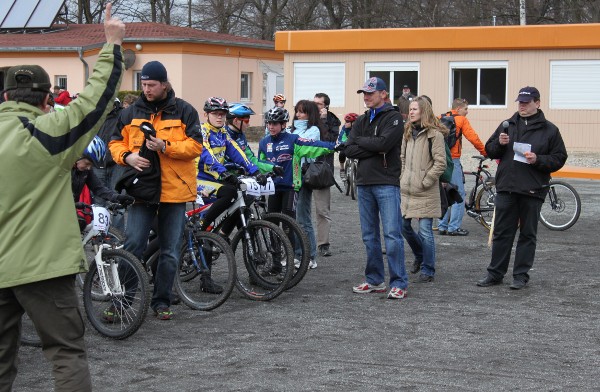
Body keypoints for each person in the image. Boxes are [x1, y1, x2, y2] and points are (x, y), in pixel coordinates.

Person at [0, 4, 124, 391]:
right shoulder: (48, 134)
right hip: (43, 268)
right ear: (45, 100)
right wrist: (112, 44)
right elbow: (94, 102)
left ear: (5, 94)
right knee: (66, 353)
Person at [109, 60, 203, 320]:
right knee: (133, 245)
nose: (146, 89)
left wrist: (165, 146)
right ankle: (122, 300)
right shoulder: (130, 113)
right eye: (143, 84)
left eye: (151, 85)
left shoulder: (185, 111)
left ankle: (161, 301)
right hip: (142, 191)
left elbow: (195, 146)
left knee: (171, 251)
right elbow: (115, 143)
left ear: (164, 84)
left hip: (175, 191)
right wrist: (126, 157)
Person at [477, 86, 567, 290]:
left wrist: (538, 159)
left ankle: (520, 276)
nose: (522, 105)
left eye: (526, 102)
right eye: (520, 102)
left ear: (538, 103)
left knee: (527, 234)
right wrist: (499, 144)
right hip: (507, 187)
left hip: (533, 189)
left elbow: (559, 158)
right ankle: (495, 273)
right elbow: (489, 150)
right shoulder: (506, 124)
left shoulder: (550, 130)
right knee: (501, 232)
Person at [342, 76, 408, 299]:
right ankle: (375, 280)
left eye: (371, 92)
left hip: (387, 182)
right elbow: (348, 149)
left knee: (392, 235)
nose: (367, 96)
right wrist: (371, 144)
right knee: (369, 236)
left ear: (383, 94)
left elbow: (384, 144)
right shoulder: (361, 120)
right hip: (364, 183)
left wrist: (362, 142)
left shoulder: (394, 118)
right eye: (364, 93)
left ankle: (399, 282)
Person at [258, 107, 336, 270]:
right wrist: (268, 169)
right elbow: (260, 163)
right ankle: (277, 261)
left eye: (275, 123)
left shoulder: (293, 139)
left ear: (284, 124)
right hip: (273, 188)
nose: (271, 126)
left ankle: (293, 257)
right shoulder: (264, 142)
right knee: (272, 223)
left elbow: (313, 145)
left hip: (291, 187)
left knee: (288, 225)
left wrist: (333, 146)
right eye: (269, 123)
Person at [400, 97, 448, 283]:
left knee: (426, 231)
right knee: (404, 227)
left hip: (426, 190)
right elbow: (402, 157)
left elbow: (440, 163)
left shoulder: (434, 135)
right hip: (407, 189)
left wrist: (426, 180)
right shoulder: (407, 131)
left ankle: (428, 269)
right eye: (410, 109)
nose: (411, 112)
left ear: (424, 111)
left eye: (414, 109)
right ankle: (420, 255)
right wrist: (403, 177)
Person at [437, 98, 487, 236]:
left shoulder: (439, 118)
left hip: (440, 158)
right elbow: (473, 138)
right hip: (453, 160)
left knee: (446, 191)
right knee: (458, 193)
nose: (467, 112)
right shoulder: (461, 120)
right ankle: (453, 227)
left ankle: (442, 225)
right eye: (466, 109)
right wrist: (485, 152)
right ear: (458, 108)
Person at [93, 94, 136, 231]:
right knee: (99, 201)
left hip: (117, 163)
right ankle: (99, 235)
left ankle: (116, 236)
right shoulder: (95, 115)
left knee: (118, 200)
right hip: (97, 162)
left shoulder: (122, 114)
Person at [289, 100, 324, 269]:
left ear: (310, 114)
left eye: (302, 112)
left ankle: (310, 256)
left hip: (302, 176)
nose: (298, 115)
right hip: (290, 176)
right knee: (292, 218)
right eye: (297, 111)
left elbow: (303, 149)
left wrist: (291, 141)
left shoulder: (314, 130)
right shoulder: (292, 129)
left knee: (303, 218)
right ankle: (296, 254)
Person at [73, 136, 134, 230]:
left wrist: (117, 197)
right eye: (87, 163)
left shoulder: (85, 171)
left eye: (91, 165)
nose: (89, 168)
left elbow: (99, 188)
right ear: (79, 155)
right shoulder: (63, 171)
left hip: (70, 208)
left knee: (80, 225)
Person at [313, 93, 340, 257]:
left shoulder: (333, 121)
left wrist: (322, 121)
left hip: (322, 169)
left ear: (326, 106)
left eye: (319, 104)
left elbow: (329, 143)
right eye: (314, 103)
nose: (315, 106)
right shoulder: (305, 117)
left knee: (322, 209)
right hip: (303, 168)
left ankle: (323, 243)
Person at [225, 102, 278, 175]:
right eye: (246, 121)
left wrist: (272, 167)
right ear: (235, 121)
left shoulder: (240, 135)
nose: (249, 124)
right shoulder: (221, 135)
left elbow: (251, 159)